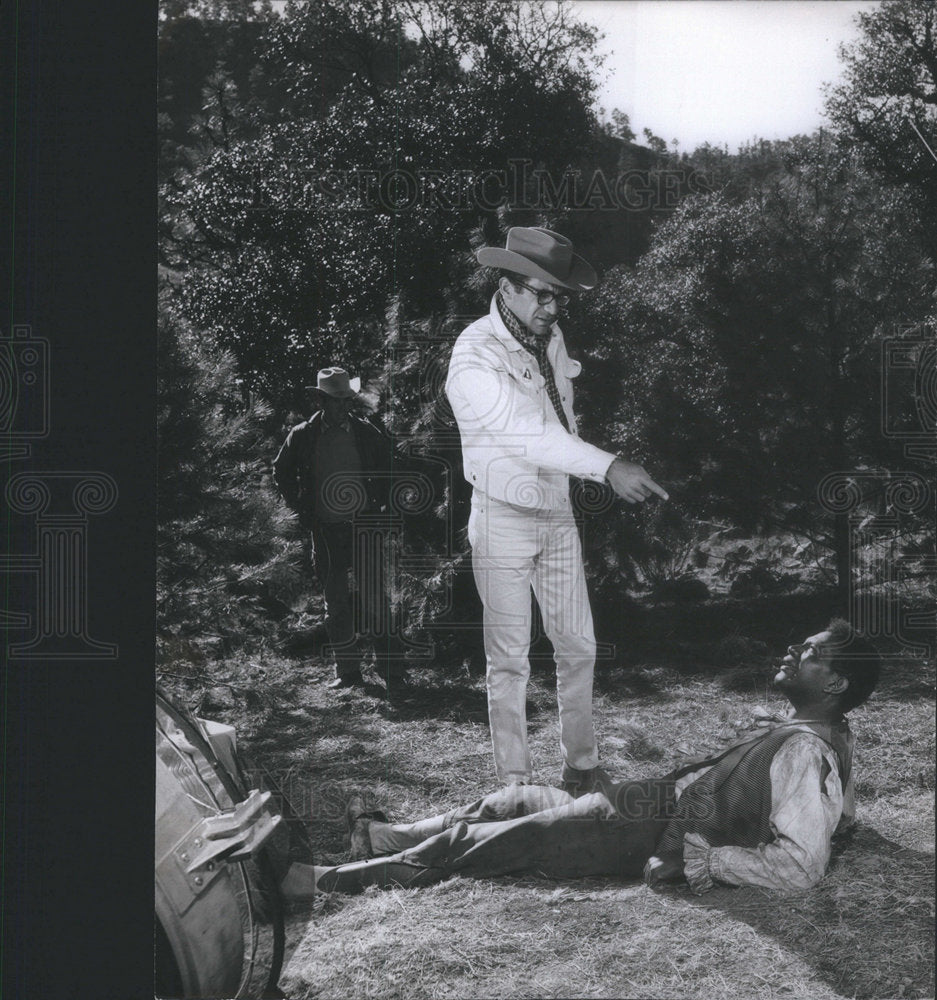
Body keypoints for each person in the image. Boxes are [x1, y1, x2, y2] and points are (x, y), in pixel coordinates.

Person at [280, 620, 881, 897]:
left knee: (504, 836)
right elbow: (842, 814)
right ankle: (383, 837)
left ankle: (328, 881)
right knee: (508, 799)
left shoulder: (807, 750)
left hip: (648, 828)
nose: (792, 650)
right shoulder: (822, 733)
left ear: (834, 685)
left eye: (810, 652)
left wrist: (699, 862)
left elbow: (803, 867)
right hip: (647, 800)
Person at [444, 226, 668, 793]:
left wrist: (581, 473)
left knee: (579, 646)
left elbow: (560, 417)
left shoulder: (550, 334)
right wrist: (609, 465)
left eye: (560, 295)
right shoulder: (474, 353)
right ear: (507, 286)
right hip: (501, 517)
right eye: (541, 294)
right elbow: (526, 433)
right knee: (510, 659)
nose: (552, 306)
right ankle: (516, 784)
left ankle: (583, 766)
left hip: (556, 511)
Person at [272, 367, 406, 693]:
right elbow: (281, 471)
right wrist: (301, 509)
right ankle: (347, 672)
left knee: (376, 601)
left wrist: (384, 508)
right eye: (336, 400)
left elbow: (392, 468)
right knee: (336, 604)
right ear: (320, 400)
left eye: (346, 399)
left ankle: (392, 672)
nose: (343, 406)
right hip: (326, 532)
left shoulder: (366, 432)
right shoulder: (303, 435)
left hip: (364, 529)